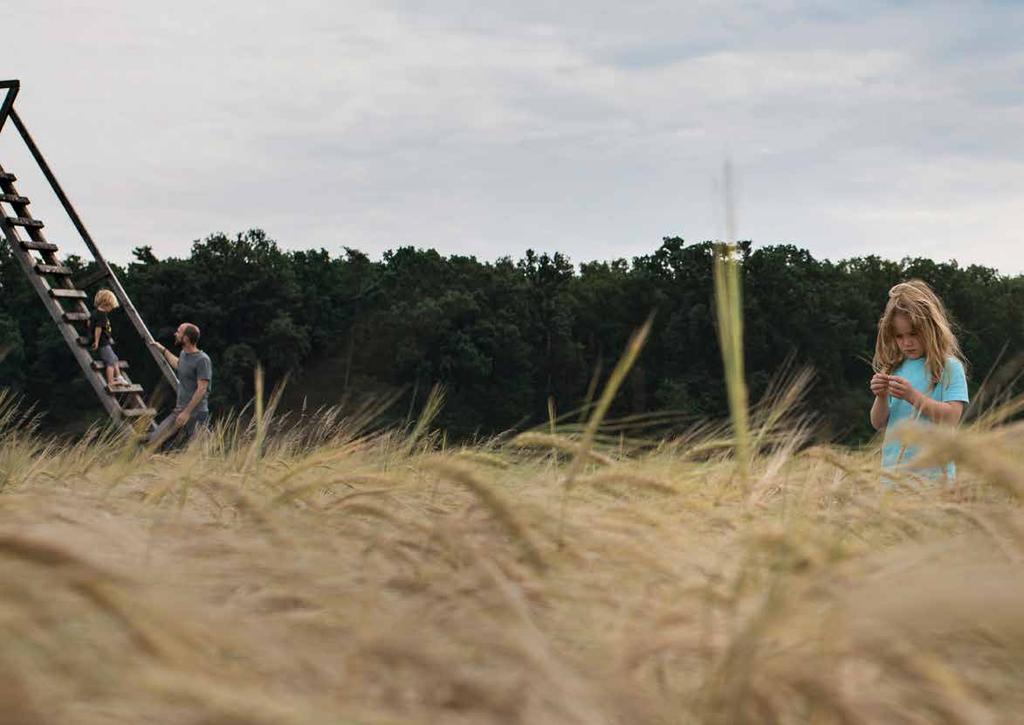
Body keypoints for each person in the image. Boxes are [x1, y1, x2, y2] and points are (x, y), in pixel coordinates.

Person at [869, 280, 968, 480]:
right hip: (893, 478)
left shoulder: (949, 367)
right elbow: (878, 423)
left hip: (934, 478)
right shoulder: (894, 367)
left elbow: (951, 418)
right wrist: (881, 396)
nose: (907, 343)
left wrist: (912, 396)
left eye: (914, 334)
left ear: (932, 328)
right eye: (899, 336)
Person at [147, 323, 213, 449]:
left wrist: (187, 413)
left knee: (197, 452)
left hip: (196, 413)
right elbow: (178, 364)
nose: (175, 334)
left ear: (186, 338)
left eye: (179, 332)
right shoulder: (184, 355)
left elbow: (202, 389)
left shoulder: (202, 360)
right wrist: (163, 350)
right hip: (179, 410)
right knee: (155, 439)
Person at [90, 289, 129, 390]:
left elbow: (89, 323)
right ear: (106, 303)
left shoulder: (95, 313)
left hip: (105, 342)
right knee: (110, 362)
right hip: (103, 343)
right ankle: (111, 381)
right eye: (110, 306)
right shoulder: (101, 315)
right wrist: (97, 341)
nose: (111, 309)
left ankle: (119, 377)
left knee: (114, 358)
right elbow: (98, 329)